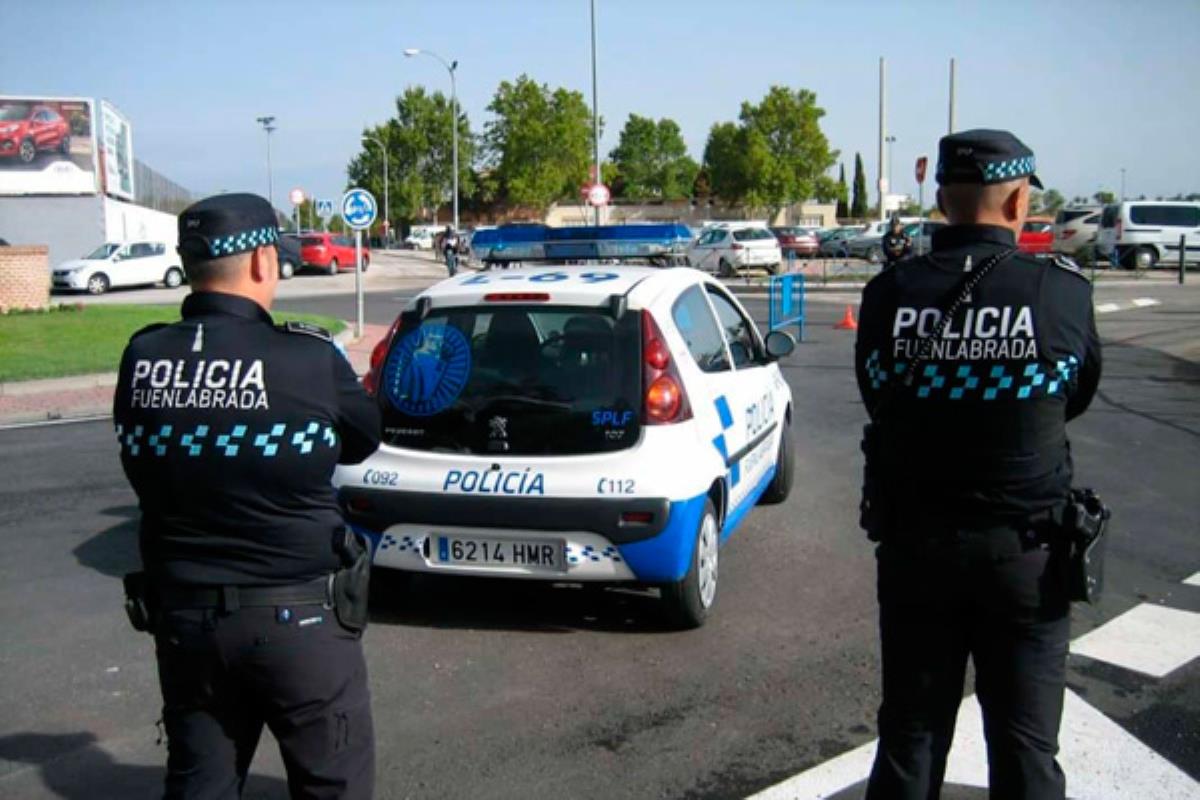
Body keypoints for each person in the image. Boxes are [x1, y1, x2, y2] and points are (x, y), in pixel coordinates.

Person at [854, 130, 1102, 799]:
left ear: (941, 199)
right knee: (1026, 751)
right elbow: (1072, 397)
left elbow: (879, 396)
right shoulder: (1062, 294)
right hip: (1026, 556)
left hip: (916, 551)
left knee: (910, 739)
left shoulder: (887, 294)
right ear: (1020, 199)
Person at [113, 193, 381, 799]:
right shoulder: (308, 359)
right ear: (263, 262)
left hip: (185, 623)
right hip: (302, 624)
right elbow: (364, 438)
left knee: (200, 783)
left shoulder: (144, 356)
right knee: (331, 785)